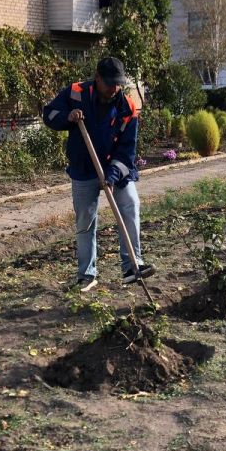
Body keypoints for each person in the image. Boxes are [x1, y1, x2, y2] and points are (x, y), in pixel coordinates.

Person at [43, 57, 154, 292]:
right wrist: (68, 117)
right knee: (86, 220)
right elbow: (49, 114)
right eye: (110, 83)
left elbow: (127, 151)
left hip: (115, 168)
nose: (114, 89)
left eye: (118, 84)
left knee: (130, 204)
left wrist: (112, 176)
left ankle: (132, 266)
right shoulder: (76, 94)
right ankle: (87, 275)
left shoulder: (127, 107)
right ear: (97, 78)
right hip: (84, 168)